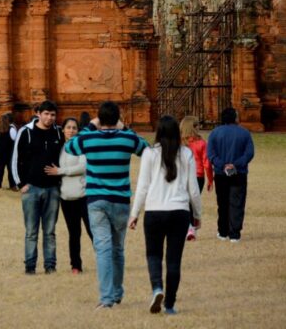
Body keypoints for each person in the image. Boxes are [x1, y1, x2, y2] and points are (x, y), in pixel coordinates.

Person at [67, 101, 149, 309]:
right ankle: (117, 292)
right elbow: (146, 148)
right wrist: (125, 128)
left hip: (96, 199)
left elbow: (70, 146)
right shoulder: (127, 138)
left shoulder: (89, 138)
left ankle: (107, 297)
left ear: (100, 119)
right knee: (117, 249)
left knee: (103, 248)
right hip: (120, 199)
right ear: (118, 118)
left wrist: (91, 125)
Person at [128, 115, 202, 315]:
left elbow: (142, 187)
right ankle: (169, 304)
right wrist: (197, 214)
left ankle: (157, 288)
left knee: (153, 254)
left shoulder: (149, 153)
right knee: (174, 260)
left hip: (154, 211)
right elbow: (193, 189)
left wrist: (134, 213)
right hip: (179, 212)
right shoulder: (186, 153)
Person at [12, 100, 63, 274]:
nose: (49, 118)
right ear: (38, 114)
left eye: (53, 115)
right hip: (31, 188)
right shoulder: (26, 132)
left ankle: (50, 265)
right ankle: (30, 266)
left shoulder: (58, 133)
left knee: (50, 231)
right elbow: (16, 158)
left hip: (52, 188)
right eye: (46, 114)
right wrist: (20, 183)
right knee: (31, 231)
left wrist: (60, 177)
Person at [44, 117, 92, 274]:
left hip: (83, 195)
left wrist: (61, 171)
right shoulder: (60, 147)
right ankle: (76, 265)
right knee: (74, 233)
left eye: (74, 128)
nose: (71, 130)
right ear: (63, 129)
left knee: (92, 230)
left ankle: (106, 260)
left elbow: (83, 166)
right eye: (68, 127)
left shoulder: (81, 146)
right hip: (66, 196)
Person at [207, 107, 254, 242]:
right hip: (239, 172)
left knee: (222, 202)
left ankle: (223, 231)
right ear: (235, 118)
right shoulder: (244, 133)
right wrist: (236, 165)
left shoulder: (214, 133)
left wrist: (222, 165)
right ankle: (235, 233)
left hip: (221, 173)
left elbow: (211, 154)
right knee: (237, 202)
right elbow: (249, 153)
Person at [180, 115, 214, 240]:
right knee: (193, 200)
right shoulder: (201, 143)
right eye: (198, 124)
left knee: (184, 201)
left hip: (182, 175)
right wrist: (210, 179)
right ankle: (191, 226)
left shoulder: (179, 143)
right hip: (198, 176)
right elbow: (207, 163)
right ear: (194, 127)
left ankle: (188, 225)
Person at [0, 113, 18, 190]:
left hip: (0, 153)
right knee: (10, 170)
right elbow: (14, 140)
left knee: (0, 169)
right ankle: (12, 185)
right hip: (9, 153)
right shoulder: (11, 129)